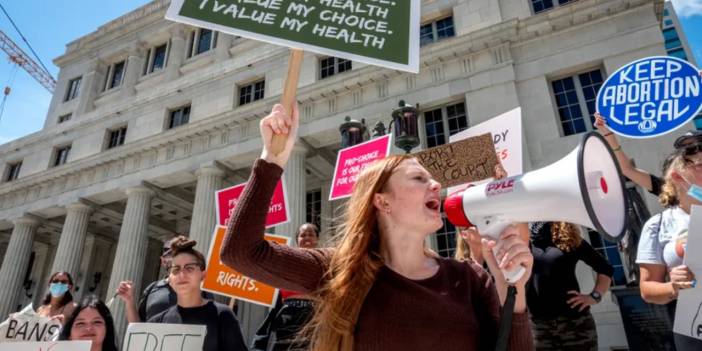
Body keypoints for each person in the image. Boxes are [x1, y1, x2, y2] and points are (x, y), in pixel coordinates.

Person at [221, 103, 534, 351]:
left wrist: (514, 296)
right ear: (383, 202)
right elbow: (240, 252)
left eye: (431, 178)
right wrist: (272, 159)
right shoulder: (341, 270)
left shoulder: (470, 278)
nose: (437, 184)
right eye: (418, 178)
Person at [637, 148, 702, 350]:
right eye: (700, 165)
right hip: (694, 329)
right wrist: (674, 286)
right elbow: (647, 289)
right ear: (678, 177)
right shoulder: (658, 225)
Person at [148, 236, 247, 351]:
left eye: (189, 268)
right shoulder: (157, 322)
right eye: (175, 270)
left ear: (203, 275)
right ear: (170, 279)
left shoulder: (223, 315)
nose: (182, 275)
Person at [526, 222, 613, 350]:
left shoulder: (568, 236)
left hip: (575, 323)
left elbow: (605, 269)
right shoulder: (524, 241)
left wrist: (594, 297)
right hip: (539, 327)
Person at [594, 112, 702, 196]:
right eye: (687, 150)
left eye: (698, 146)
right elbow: (627, 170)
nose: (693, 152)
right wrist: (607, 133)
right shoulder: (673, 189)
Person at [252, 223, 320, 351]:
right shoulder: (288, 263)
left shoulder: (324, 263)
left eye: (311, 234)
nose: (307, 237)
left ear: (317, 239)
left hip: (314, 320)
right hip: (286, 322)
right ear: (297, 240)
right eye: (303, 235)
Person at [116, 236, 213, 323]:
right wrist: (129, 300)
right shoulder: (152, 289)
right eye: (169, 253)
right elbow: (137, 327)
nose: (173, 257)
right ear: (162, 261)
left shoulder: (201, 290)